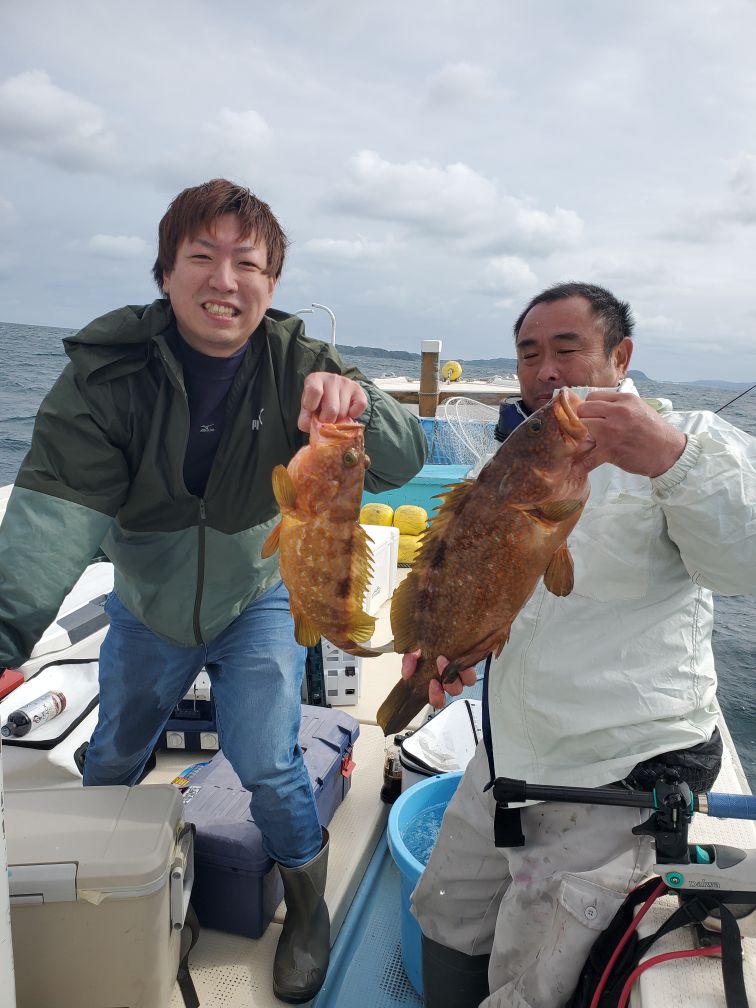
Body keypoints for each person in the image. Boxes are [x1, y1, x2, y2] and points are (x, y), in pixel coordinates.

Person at [0, 178, 427, 1003]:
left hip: (258, 595)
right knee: (113, 755)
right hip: (147, 605)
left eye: (249, 263)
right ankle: (101, 881)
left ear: (272, 282)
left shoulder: (300, 362)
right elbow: (50, 522)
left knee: (268, 761)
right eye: (202, 256)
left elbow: (403, 459)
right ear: (166, 273)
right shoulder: (108, 375)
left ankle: (306, 909)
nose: (225, 280)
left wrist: (363, 402)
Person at [402, 281, 756, 1008]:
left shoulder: (692, 440)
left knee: (534, 979)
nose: (546, 372)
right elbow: (495, 589)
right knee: (446, 908)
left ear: (620, 358)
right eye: (529, 354)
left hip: (615, 776)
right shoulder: (512, 461)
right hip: (509, 757)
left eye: (567, 349)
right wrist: (449, 647)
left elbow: (743, 563)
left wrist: (674, 459)